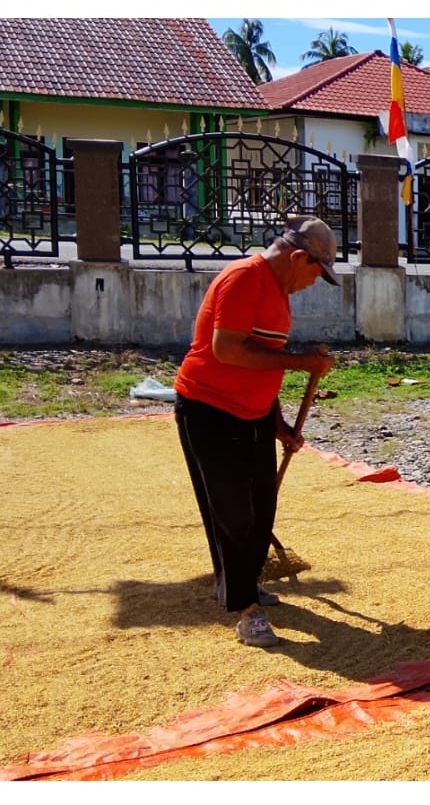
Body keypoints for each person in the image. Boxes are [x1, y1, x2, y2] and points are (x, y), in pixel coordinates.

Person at [173, 216, 339, 648]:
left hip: (253, 414)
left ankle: (245, 581)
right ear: (298, 258)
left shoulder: (279, 292)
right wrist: (300, 362)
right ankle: (246, 610)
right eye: (317, 273)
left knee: (262, 506)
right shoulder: (245, 278)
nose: (313, 283)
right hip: (210, 409)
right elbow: (226, 349)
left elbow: (263, 362)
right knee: (232, 512)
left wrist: (278, 426)